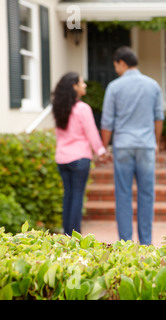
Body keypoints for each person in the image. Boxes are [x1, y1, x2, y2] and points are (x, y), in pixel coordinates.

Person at [101, 46, 164, 245]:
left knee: (123, 195)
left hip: (123, 145)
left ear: (121, 62)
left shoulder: (114, 87)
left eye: (116, 66)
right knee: (147, 194)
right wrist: (155, 141)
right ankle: (146, 244)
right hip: (146, 145)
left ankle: (126, 245)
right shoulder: (153, 85)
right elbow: (159, 117)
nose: (116, 70)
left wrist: (104, 147)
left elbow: (107, 121)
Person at [52, 72, 109, 236]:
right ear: (74, 87)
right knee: (77, 195)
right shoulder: (83, 108)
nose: (85, 86)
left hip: (62, 158)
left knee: (68, 195)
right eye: (82, 83)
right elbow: (91, 132)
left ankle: (67, 235)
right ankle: (75, 237)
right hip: (79, 159)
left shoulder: (59, 108)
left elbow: (59, 135)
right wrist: (101, 151)